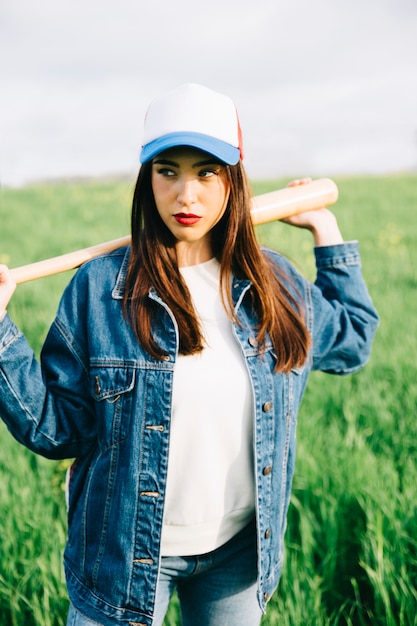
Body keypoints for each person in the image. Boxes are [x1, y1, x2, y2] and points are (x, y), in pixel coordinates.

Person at [0, 83, 378, 626]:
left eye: (207, 171)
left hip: (238, 555)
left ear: (234, 180)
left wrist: (327, 231)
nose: (186, 195)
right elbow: (60, 431)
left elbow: (355, 342)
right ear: (146, 178)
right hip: (124, 557)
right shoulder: (100, 289)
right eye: (168, 170)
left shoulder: (277, 285)